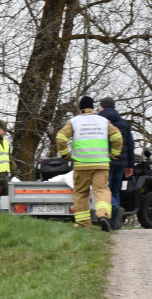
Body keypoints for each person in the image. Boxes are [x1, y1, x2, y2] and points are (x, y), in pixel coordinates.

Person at [56, 96, 122, 231]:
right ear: (93, 108)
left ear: (80, 108)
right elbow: (117, 138)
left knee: (81, 193)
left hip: (82, 164)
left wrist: (65, 154)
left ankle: (83, 223)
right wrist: (114, 155)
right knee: (102, 190)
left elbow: (61, 138)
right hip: (101, 163)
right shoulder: (103, 121)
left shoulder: (74, 121)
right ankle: (103, 215)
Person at [98, 97, 135, 212]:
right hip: (122, 162)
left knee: (104, 190)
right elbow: (130, 145)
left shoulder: (99, 121)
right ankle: (115, 220)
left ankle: (109, 215)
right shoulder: (124, 123)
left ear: (102, 107)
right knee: (115, 190)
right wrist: (130, 165)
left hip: (106, 161)